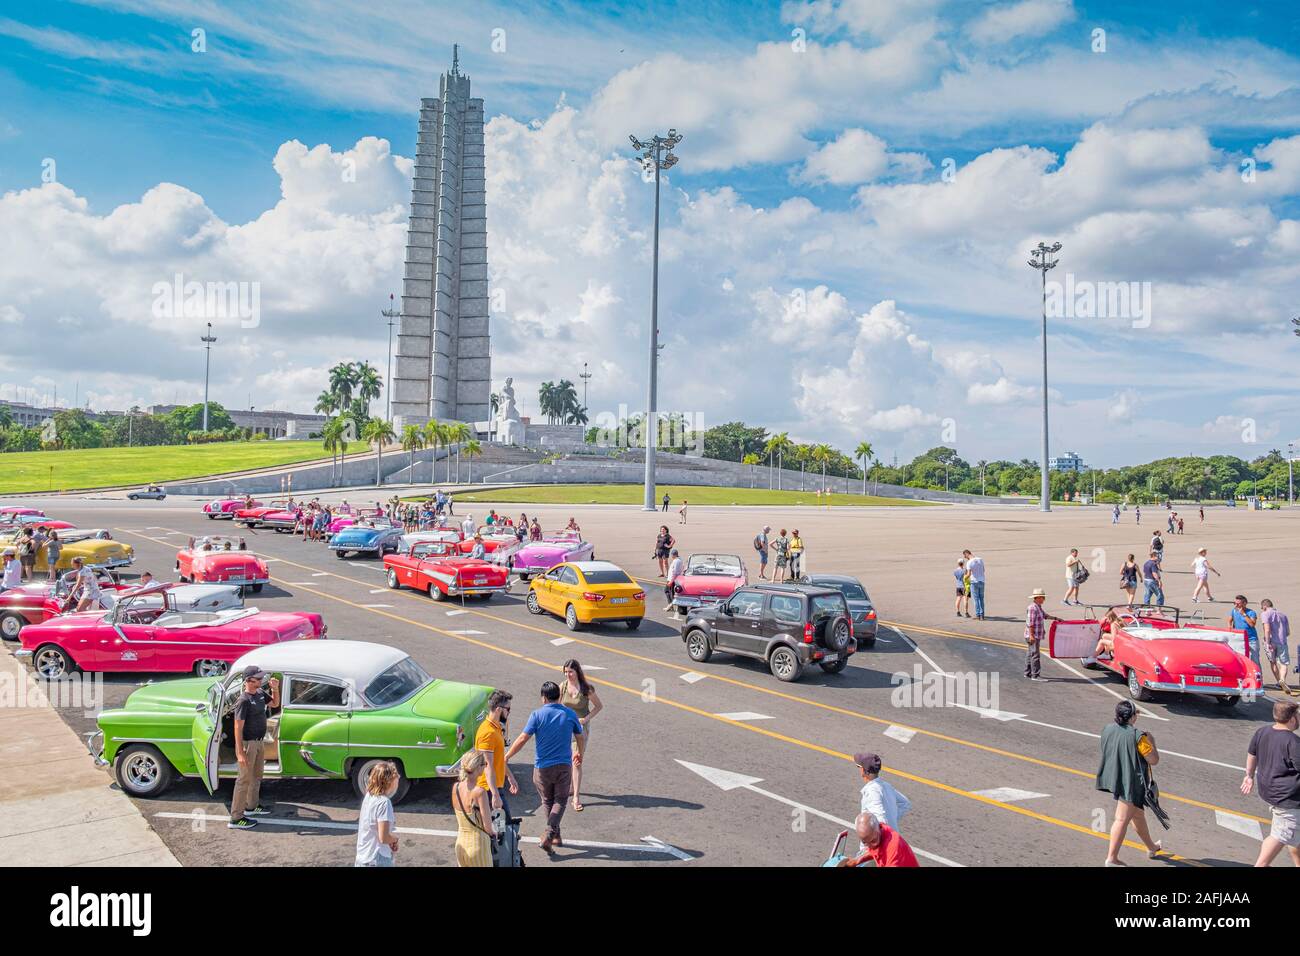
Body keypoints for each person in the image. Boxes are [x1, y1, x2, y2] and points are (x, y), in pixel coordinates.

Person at [504, 681, 585, 853]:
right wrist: (579, 754)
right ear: (559, 696)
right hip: (564, 766)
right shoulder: (569, 714)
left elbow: (522, 739)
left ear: (544, 697)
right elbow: (580, 736)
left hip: (542, 768)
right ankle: (554, 834)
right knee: (561, 801)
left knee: (548, 801)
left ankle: (550, 833)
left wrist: (508, 755)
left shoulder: (537, 715)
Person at [1097, 700, 1165, 865]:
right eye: (1136, 713)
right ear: (1132, 717)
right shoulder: (1139, 737)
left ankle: (1151, 847)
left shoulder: (1107, 729)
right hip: (1131, 783)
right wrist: (1152, 741)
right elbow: (1154, 760)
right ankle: (1112, 859)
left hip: (1115, 778)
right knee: (1121, 819)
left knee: (1137, 815)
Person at [1241, 700, 1300, 867]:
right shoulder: (1293, 743)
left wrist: (1249, 775)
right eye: (1298, 714)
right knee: (1281, 835)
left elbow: (1252, 754)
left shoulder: (1262, 732)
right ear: (1292, 719)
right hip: (1288, 800)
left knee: (1288, 834)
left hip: (1271, 792)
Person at [229, 665, 280, 829]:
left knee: (257, 776)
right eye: (258, 678)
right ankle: (236, 818)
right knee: (243, 779)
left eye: (260, 678)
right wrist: (240, 752)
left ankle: (251, 806)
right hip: (248, 743)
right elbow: (237, 727)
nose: (261, 680)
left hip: (259, 742)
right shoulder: (243, 700)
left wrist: (275, 689)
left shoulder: (259, 694)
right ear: (248, 680)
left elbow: (274, 703)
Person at [559, 659, 603, 812]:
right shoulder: (562, 686)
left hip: (580, 728)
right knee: (566, 759)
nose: (567, 674)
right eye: (565, 672)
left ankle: (576, 796)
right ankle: (570, 787)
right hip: (565, 727)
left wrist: (586, 718)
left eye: (570, 672)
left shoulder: (586, 689)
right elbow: (557, 706)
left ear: (577, 672)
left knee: (577, 760)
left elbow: (599, 706)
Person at [476, 690, 519, 814]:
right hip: (488, 789)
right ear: (499, 709)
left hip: (495, 786)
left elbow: (498, 758)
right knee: (502, 828)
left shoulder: (496, 727)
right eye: (508, 709)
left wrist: (510, 777)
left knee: (503, 828)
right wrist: (495, 794)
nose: (509, 712)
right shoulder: (487, 733)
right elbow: (487, 765)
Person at [452, 750, 495, 867]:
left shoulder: (456, 787)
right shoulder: (480, 792)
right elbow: (488, 827)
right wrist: (495, 833)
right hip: (477, 846)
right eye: (484, 764)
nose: (486, 766)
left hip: (460, 845)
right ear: (478, 768)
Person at [355, 761, 400, 867]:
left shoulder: (369, 796)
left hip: (362, 857)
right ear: (389, 781)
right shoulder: (384, 802)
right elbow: (383, 838)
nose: (398, 778)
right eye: (396, 776)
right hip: (377, 858)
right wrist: (394, 839)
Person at [854, 752, 911, 837]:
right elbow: (905, 803)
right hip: (894, 839)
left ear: (864, 771)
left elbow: (881, 819)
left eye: (859, 767)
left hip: (877, 846)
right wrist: (892, 819)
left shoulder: (872, 792)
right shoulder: (886, 786)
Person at [835, 812, 919, 868]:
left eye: (873, 841)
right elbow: (874, 850)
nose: (870, 846)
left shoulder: (893, 848)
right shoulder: (877, 833)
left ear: (878, 829)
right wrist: (857, 861)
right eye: (865, 843)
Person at [1024, 588, 1058, 681]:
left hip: (1034, 635)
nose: (1044, 599)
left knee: (1030, 653)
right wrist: (1031, 635)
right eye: (1043, 597)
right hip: (1033, 635)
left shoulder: (1038, 606)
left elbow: (1045, 615)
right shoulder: (1032, 608)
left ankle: (1027, 673)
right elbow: (1030, 623)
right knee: (1035, 655)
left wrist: (1056, 618)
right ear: (1037, 597)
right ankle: (1035, 675)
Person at [1260, 600, 1292, 695]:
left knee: (1273, 662)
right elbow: (1288, 632)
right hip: (1282, 642)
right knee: (1284, 663)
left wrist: (1267, 642)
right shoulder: (1283, 615)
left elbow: (1267, 629)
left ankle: (1279, 681)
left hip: (1271, 642)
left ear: (1264, 607)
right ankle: (1282, 679)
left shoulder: (1265, 614)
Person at [1229, 595, 1261, 667]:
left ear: (1244, 603)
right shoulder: (1234, 611)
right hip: (1240, 639)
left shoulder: (1251, 612)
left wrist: (1243, 614)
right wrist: (1230, 628)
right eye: (1235, 603)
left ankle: (1257, 676)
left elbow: (1252, 624)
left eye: (1238, 603)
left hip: (1251, 640)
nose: (1236, 605)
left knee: (1255, 661)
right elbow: (1229, 620)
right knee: (1240, 659)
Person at [964, 550, 986, 620]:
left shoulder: (969, 562)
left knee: (976, 599)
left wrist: (964, 578)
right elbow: (983, 570)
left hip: (974, 582)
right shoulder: (980, 559)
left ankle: (978, 615)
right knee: (981, 599)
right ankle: (982, 615)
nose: (965, 557)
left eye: (965, 556)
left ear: (967, 554)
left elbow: (969, 574)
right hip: (982, 581)